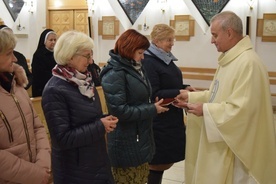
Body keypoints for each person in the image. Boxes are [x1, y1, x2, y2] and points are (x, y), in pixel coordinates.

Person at [175, 11, 276, 184]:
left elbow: (242, 111)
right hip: (224, 141)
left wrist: (205, 110)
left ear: (229, 32)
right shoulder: (230, 60)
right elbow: (217, 94)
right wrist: (191, 97)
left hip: (238, 151)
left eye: (214, 35)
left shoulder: (248, 63)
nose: (212, 40)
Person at [42, 30, 118, 184]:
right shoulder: (54, 90)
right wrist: (99, 126)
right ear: (70, 56)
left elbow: (86, 118)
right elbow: (62, 139)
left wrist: (103, 119)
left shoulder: (85, 81)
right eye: (87, 56)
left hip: (95, 160)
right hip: (75, 171)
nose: (91, 61)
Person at [100, 29, 169, 183]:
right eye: (140, 52)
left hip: (139, 136)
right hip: (125, 141)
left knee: (141, 178)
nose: (143, 57)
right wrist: (152, 109)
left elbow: (140, 98)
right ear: (129, 50)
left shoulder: (135, 67)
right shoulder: (114, 72)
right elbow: (119, 110)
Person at [141, 23, 195, 184]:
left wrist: (184, 88)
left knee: (163, 163)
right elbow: (154, 94)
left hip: (170, 118)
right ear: (156, 41)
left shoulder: (164, 58)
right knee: (157, 163)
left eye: (173, 39)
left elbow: (169, 83)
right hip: (159, 120)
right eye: (168, 40)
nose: (172, 43)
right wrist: (179, 93)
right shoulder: (149, 62)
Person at [0, 30, 51, 183]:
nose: (15, 58)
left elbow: (38, 127)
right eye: (9, 53)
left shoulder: (17, 86)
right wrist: (34, 174)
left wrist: (42, 165)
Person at [0, 25, 33, 89]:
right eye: (8, 53)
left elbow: (29, 76)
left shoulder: (20, 56)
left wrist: (22, 85)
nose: (15, 59)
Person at [32, 29, 57, 97]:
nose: (53, 42)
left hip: (56, 86)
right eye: (51, 40)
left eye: (55, 40)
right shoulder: (38, 55)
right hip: (42, 88)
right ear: (44, 41)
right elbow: (40, 74)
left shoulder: (57, 54)